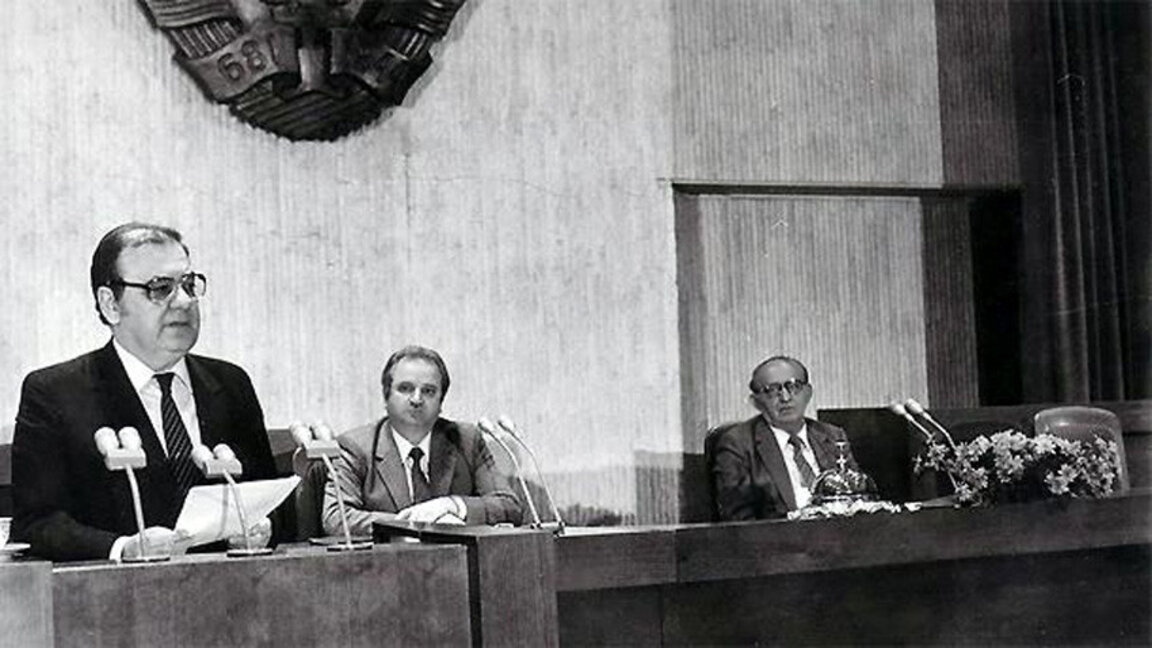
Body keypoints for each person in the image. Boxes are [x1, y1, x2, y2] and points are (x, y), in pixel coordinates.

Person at [11, 223, 279, 562]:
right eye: (160, 288)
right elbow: (37, 524)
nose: (183, 301)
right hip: (112, 601)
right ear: (110, 304)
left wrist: (260, 529)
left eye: (188, 285)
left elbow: (271, 499)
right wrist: (123, 549)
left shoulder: (231, 384)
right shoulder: (55, 393)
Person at [323, 345, 522, 536]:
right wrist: (414, 525)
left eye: (428, 391)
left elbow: (509, 506)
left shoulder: (466, 440)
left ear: (440, 403)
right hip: (387, 565)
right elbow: (336, 518)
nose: (417, 399)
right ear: (386, 398)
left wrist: (452, 505)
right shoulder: (355, 446)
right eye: (405, 388)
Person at [710, 355, 859, 520]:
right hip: (779, 542)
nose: (786, 398)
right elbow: (738, 521)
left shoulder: (832, 436)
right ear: (756, 401)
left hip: (838, 537)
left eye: (794, 386)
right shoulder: (737, 444)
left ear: (808, 393)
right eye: (772, 390)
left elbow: (857, 498)